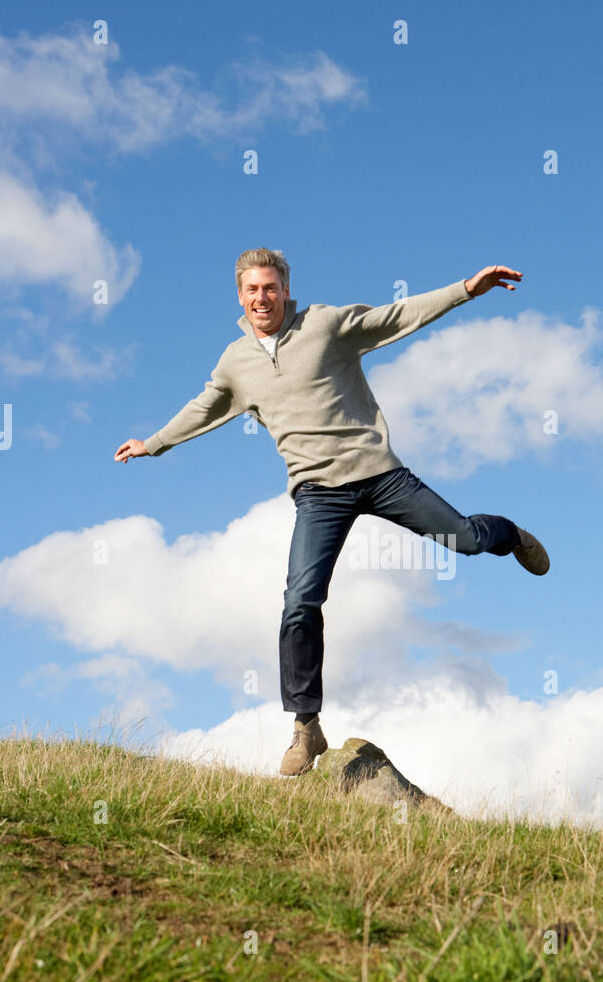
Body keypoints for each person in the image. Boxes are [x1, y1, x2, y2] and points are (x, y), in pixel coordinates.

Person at [115, 249, 550, 775]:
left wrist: (465, 289)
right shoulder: (236, 362)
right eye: (252, 290)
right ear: (240, 296)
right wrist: (154, 443)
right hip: (318, 493)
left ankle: (512, 534)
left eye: (270, 288)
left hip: (378, 473)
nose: (262, 298)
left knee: (468, 540)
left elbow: (394, 317)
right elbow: (205, 406)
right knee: (299, 601)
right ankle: (306, 727)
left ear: (284, 289)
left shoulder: (323, 324)